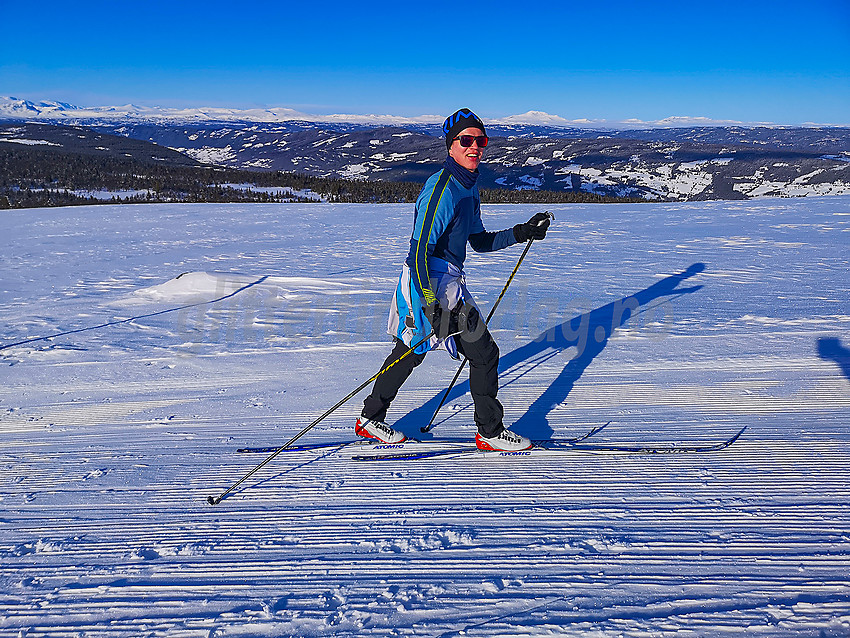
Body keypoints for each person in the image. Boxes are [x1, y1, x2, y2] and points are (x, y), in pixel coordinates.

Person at [355, 108, 550, 451]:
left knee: (484, 352)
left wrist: (522, 233)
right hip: (424, 281)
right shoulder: (442, 189)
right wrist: (430, 304)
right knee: (411, 351)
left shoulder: (468, 187)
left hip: (449, 283)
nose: (475, 146)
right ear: (451, 145)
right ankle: (371, 418)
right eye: (466, 140)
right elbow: (418, 253)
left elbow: (479, 241)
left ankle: (489, 432)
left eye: (481, 140)